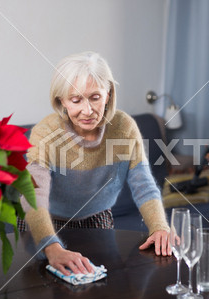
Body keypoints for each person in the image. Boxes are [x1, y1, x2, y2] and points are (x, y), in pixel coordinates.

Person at [20, 51, 171, 276]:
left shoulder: (124, 127)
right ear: (61, 100)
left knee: (103, 290)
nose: (87, 110)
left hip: (96, 219)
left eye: (95, 97)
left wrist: (160, 227)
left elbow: (144, 184)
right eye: (76, 99)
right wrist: (51, 246)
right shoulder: (45, 132)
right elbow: (33, 193)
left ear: (108, 95)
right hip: (45, 222)